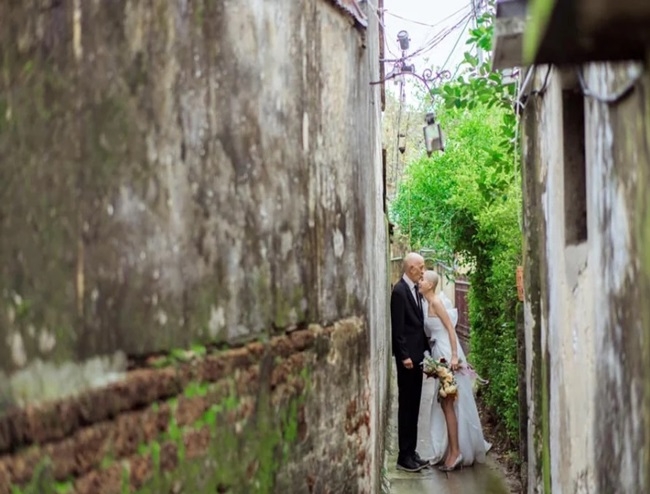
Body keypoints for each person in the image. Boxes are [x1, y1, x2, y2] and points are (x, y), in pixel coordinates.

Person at [419, 270, 491, 471]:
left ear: (431, 285)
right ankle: (453, 450)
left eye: (423, 279)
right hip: (437, 352)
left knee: (448, 401)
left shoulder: (436, 303)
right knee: (446, 403)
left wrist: (453, 356)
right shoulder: (426, 302)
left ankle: (456, 452)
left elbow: (450, 329)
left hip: (445, 354)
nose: (420, 281)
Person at [390, 252, 430, 472]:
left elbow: (418, 325)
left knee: (414, 406)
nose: (423, 270)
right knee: (406, 406)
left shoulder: (414, 290)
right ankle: (403, 456)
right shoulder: (399, 292)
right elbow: (398, 328)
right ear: (411, 268)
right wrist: (404, 355)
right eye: (421, 267)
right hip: (407, 360)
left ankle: (411, 451)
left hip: (417, 357)